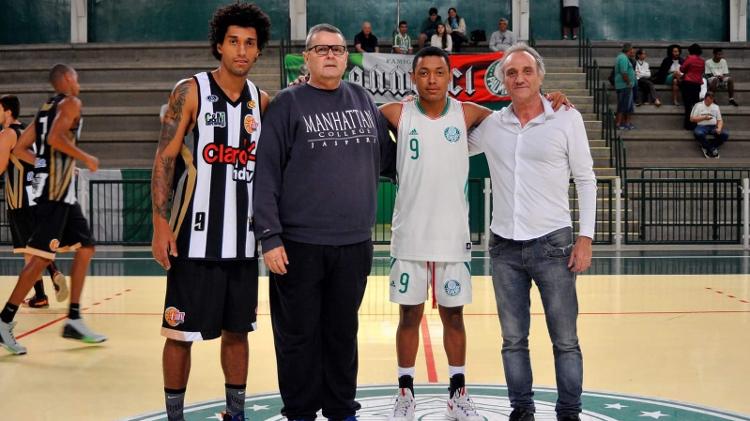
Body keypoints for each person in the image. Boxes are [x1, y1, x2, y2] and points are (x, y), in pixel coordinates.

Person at [253, 23, 396, 421]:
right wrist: (269, 236)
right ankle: (299, 411)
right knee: (297, 337)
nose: (331, 54)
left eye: (337, 48)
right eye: (322, 49)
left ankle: (340, 409)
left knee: (341, 334)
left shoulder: (363, 99)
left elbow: (391, 161)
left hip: (354, 244)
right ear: (307, 57)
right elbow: (265, 173)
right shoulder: (287, 103)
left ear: (347, 56)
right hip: (298, 245)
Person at [149, 4, 271, 421]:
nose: (241, 50)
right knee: (179, 332)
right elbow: (165, 158)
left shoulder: (263, 102)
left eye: (250, 43)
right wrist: (160, 224)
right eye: (234, 41)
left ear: (258, 52)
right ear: (219, 45)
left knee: (238, 332)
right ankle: (175, 416)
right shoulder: (191, 90)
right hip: (192, 238)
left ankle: (235, 413)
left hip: (242, 241)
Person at [468, 42, 596, 421]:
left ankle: (569, 412)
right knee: (512, 340)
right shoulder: (492, 126)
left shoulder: (566, 118)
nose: (519, 77)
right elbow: (450, 143)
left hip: (553, 245)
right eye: (511, 72)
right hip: (504, 247)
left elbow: (585, 179)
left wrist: (585, 237)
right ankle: (521, 410)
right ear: (502, 81)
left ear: (540, 76)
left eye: (526, 71)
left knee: (566, 340)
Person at [379, 47, 490, 421]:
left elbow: (517, 119)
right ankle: (404, 393)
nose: (431, 79)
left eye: (438, 72)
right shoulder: (396, 113)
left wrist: (550, 99)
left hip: (451, 237)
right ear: (413, 78)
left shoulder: (468, 113)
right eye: (423, 73)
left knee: (454, 318)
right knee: (408, 316)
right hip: (409, 235)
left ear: (449, 76)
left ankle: (458, 392)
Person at [0, 64, 105, 356]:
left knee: (86, 246)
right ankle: (5, 319)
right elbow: (55, 138)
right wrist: (86, 158)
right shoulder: (72, 102)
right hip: (55, 193)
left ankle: (73, 318)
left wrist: (45, 166)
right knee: (39, 259)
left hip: (57, 190)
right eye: (77, 78)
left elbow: (21, 148)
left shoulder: (45, 108)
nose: (79, 83)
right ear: (67, 80)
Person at [0, 95, 68, 310]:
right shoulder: (29, 132)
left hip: (19, 200)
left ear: (8, 111)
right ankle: (41, 294)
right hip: (36, 196)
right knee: (33, 249)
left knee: (28, 251)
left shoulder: (8, 134)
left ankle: (51, 277)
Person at [690, 91, 728, 159]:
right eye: (708, 100)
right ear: (705, 98)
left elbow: (720, 120)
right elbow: (692, 119)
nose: (709, 102)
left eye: (711, 100)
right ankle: (712, 149)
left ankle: (706, 146)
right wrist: (704, 117)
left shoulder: (716, 106)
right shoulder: (698, 105)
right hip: (701, 126)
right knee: (698, 133)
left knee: (725, 134)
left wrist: (719, 128)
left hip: (713, 127)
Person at [680, 43, 705, 131]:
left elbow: (682, 69)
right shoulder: (702, 61)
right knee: (695, 105)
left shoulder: (690, 58)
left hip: (688, 83)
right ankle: (695, 124)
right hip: (697, 84)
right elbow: (702, 71)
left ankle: (688, 125)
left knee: (688, 105)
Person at [614, 43, 636, 130]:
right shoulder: (623, 58)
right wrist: (628, 83)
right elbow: (624, 72)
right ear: (629, 50)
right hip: (624, 86)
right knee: (624, 105)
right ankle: (619, 124)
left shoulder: (622, 57)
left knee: (625, 105)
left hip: (624, 86)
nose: (633, 51)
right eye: (632, 50)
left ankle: (624, 123)